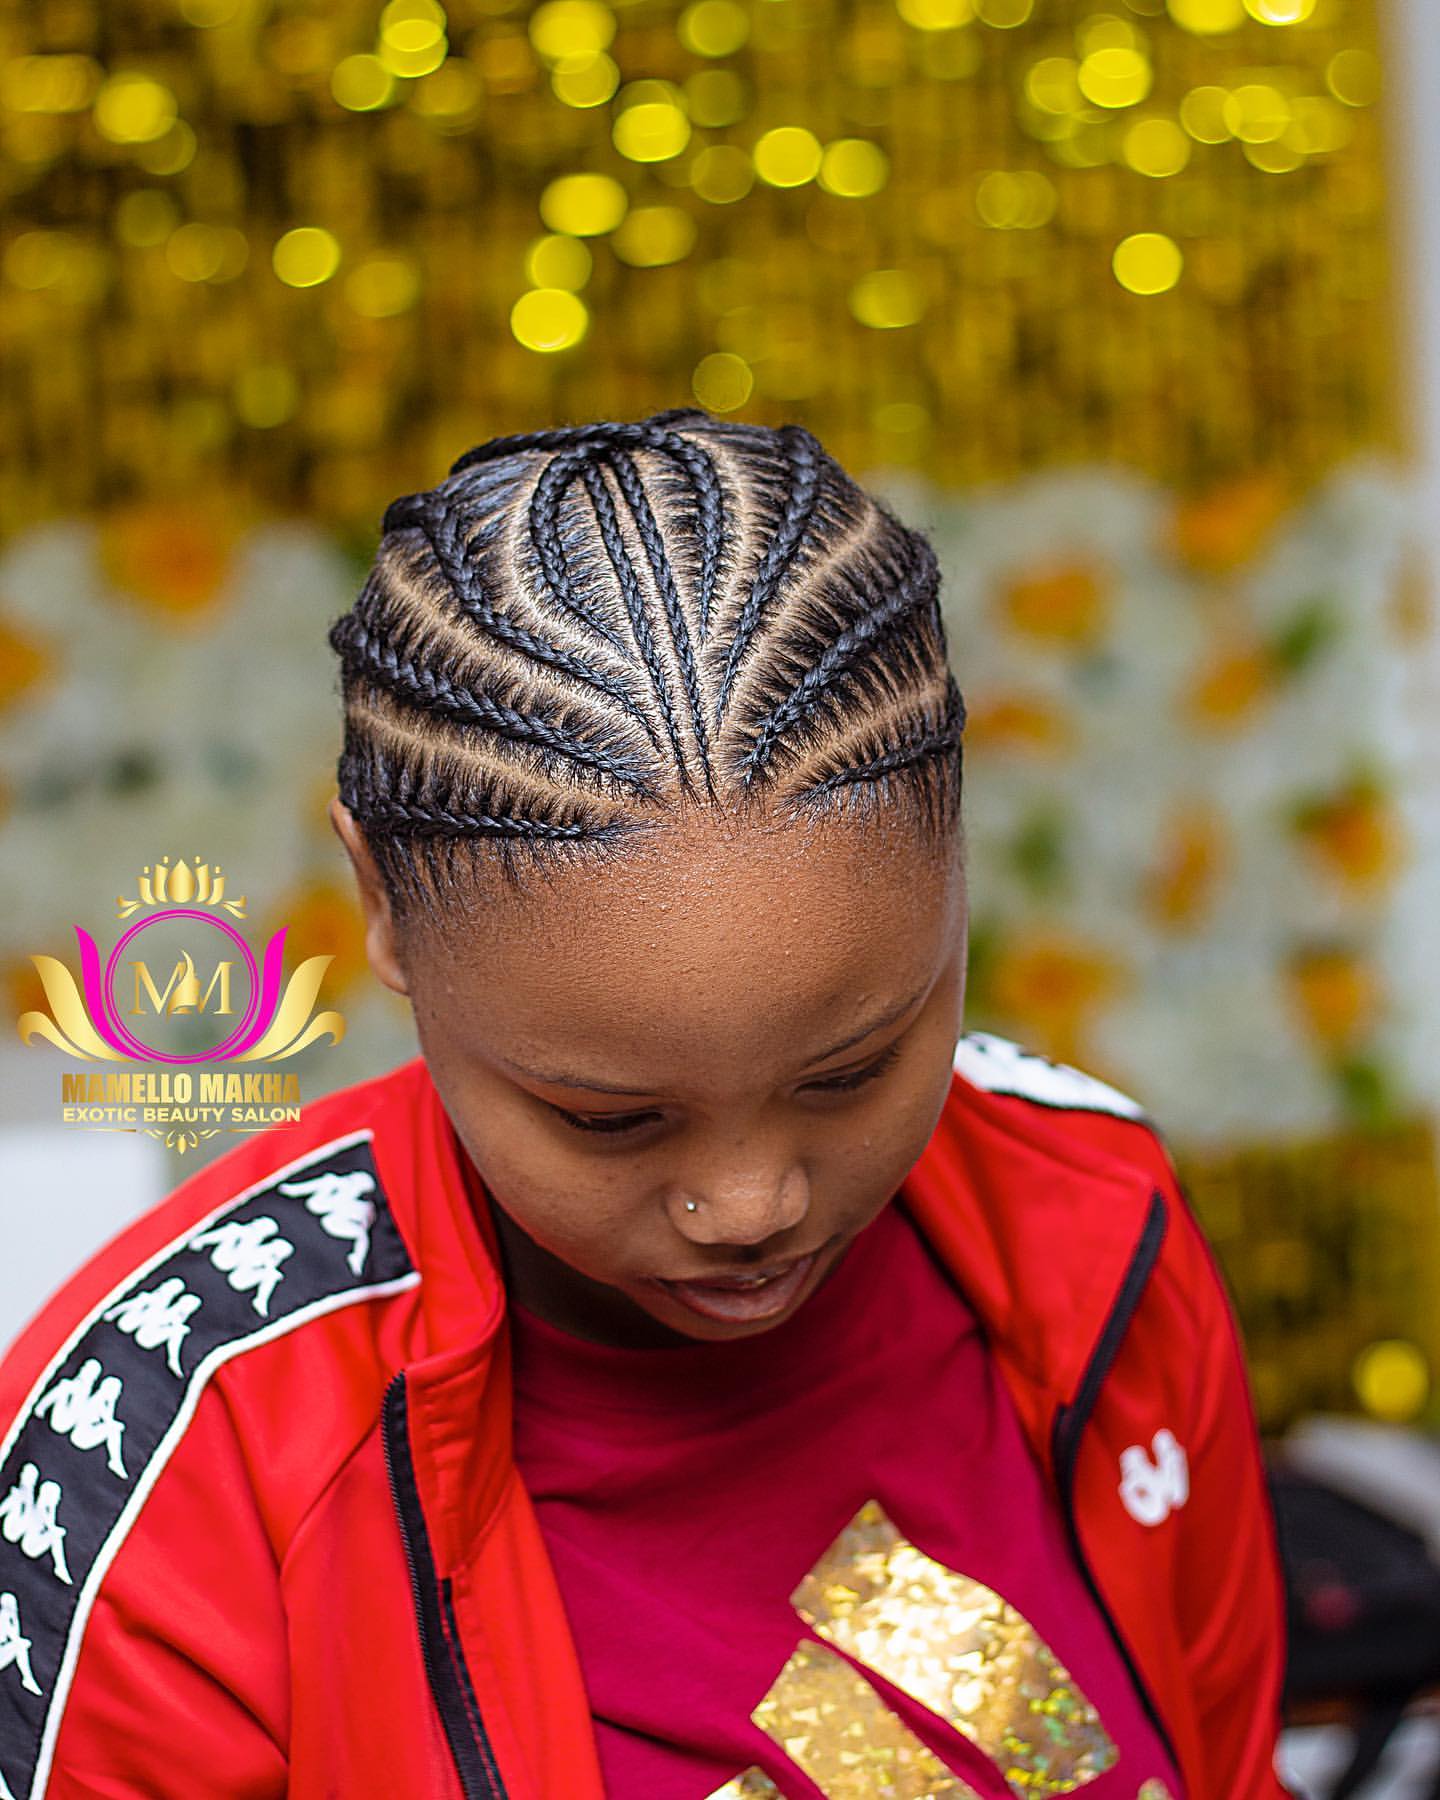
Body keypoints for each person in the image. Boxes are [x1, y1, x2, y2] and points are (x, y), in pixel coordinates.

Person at [0, 412, 1288, 1800]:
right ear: (381, 905)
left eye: (850, 1071)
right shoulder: (173, 1466)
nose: (751, 1205)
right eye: (608, 1119)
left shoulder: (1091, 1216)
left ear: (957, 862)